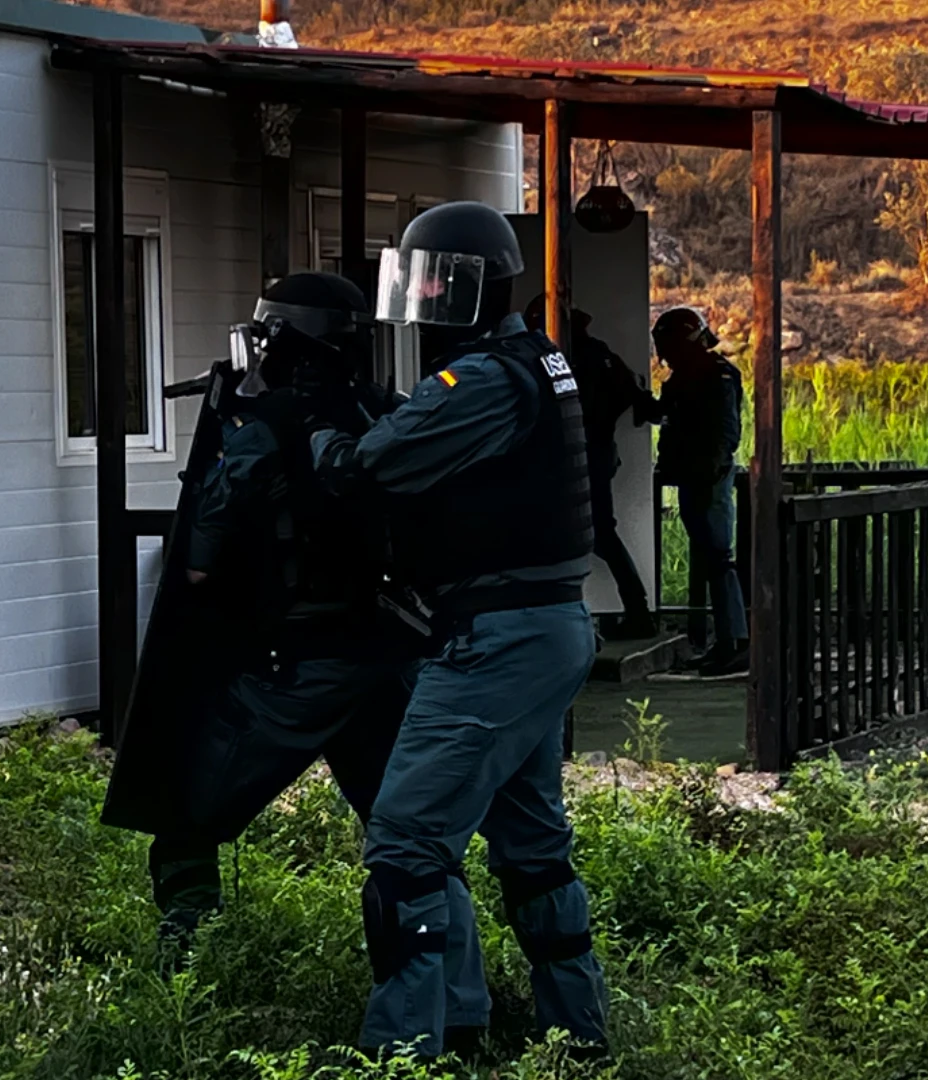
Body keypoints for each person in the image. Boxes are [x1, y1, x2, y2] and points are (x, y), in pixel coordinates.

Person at [312, 201, 608, 1060]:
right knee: (532, 848)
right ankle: (574, 1041)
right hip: (543, 628)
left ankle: (406, 1052)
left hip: (496, 640)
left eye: (437, 276)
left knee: (404, 848)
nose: (426, 292)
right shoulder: (537, 358)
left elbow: (374, 466)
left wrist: (326, 423)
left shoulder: (480, 377)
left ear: (476, 283)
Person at [104, 272, 419, 966]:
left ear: (281, 340)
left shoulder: (263, 431)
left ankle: (179, 974)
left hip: (295, 668)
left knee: (185, 817)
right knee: (407, 837)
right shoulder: (386, 413)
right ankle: (430, 992)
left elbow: (198, 564)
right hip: (386, 654)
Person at [522, 296, 655, 639]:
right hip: (596, 453)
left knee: (583, 534)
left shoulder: (563, 359)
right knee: (597, 534)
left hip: (579, 457)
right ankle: (635, 609)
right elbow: (635, 394)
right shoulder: (599, 354)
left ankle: (627, 612)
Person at [639, 306, 748, 676]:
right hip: (692, 475)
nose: (664, 355)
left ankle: (735, 643)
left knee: (719, 559)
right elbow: (663, 414)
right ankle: (728, 643)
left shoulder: (716, 376)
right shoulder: (687, 376)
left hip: (707, 478)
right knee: (713, 560)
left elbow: (725, 433)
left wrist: (710, 469)